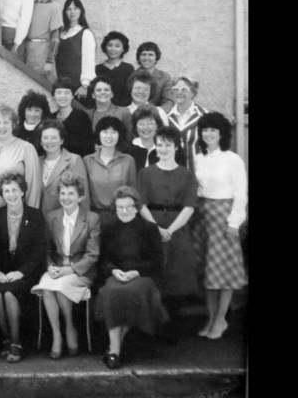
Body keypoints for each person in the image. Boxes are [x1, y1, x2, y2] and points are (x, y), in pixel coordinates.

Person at [96, 186, 168, 370]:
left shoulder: (150, 228)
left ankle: (113, 350)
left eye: (128, 206)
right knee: (112, 291)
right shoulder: (109, 228)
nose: (124, 211)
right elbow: (103, 259)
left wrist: (136, 272)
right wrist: (114, 271)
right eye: (120, 207)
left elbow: (157, 260)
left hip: (143, 276)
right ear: (115, 208)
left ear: (136, 208)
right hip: (117, 275)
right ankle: (115, 349)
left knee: (130, 292)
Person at [32, 173, 101, 359]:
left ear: (81, 197)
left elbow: (92, 254)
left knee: (61, 287)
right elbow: (47, 249)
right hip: (57, 269)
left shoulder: (92, 219)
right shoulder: (52, 217)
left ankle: (70, 327)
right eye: (62, 193)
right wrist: (50, 266)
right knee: (47, 287)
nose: (66, 198)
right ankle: (57, 335)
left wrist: (70, 269)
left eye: (71, 194)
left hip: (81, 271)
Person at [138, 126, 199, 331]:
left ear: (176, 147)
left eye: (168, 145)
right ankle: (153, 324)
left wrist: (170, 230)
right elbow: (141, 205)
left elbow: (189, 207)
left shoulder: (187, 174)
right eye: (160, 144)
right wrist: (156, 229)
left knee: (177, 275)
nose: (163, 149)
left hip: (178, 229)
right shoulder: (145, 173)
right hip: (151, 226)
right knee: (155, 274)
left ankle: (173, 326)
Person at [192, 112, 247, 341]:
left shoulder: (232, 159)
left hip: (224, 218)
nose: (209, 134)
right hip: (203, 218)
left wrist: (234, 222)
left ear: (222, 133)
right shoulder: (198, 158)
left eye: (213, 130)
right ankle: (211, 317)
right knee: (207, 272)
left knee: (223, 272)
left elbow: (241, 194)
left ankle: (222, 319)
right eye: (205, 130)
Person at [0, 172, 46, 363]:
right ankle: (6, 339)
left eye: (14, 190)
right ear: (1, 193)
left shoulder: (35, 215)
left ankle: (16, 341)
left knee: (10, 294)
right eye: (6, 191)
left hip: (25, 271)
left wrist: (21, 272)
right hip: (2, 273)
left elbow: (39, 251)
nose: (10, 194)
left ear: (22, 192)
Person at [0, 104, 41, 209]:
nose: (2, 126)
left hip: (12, 213)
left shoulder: (26, 148)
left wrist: (31, 216)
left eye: (6, 122)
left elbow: (34, 187)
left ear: (13, 125)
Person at [83, 116, 138, 227]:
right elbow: (85, 194)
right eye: (105, 132)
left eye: (113, 132)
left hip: (122, 216)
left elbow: (133, 192)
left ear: (119, 135)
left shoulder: (128, 160)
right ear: (99, 134)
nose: (109, 136)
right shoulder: (87, 160)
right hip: (95, 217)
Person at [38, 120, 90, 216]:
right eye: (45, 138)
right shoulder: (36, 162)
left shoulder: (74, 160)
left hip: (65, 220)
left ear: (61, 140)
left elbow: (84, 195)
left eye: (54, 138)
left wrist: (83, 223)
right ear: (41, 141)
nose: (49, 141)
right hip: (40, 221)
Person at [21, 0, 63, 79]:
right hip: (28, 51)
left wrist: (49, 60)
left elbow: (55, 38)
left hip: (43, 52)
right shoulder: (30, 5)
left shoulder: (54, 7)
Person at [55, 0, 96, 103]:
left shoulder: (85, 33)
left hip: (79, 87)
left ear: (81, 11)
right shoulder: (61, 33)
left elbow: (88, 60)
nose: (72, 12)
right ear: (64, 12)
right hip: (62, 87)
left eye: (76, 8)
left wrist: (85, 85)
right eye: (69, 9)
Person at [166, 76, 209, 169]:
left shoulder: (204, 116)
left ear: (193, 93)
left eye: (184, 90)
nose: (179, 93)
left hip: (198, 171)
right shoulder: (167, 116)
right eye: (176, 89)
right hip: (173, 173)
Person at [128, 105, 183, 171]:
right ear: (135, 127)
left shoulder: (171, 148)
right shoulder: (129, 150)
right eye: (141, 124)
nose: (146, 127)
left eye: (150, 123)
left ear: (157, 125)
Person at [87, 76, 134, 151]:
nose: (103, 92)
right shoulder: (87, 114)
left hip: (119, 156)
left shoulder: (123, 112)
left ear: (112, 94)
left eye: (106, 90)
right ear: (93, 95)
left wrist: (109, 149)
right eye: (99, 90)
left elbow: (130, 140)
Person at [50, 77, 94, 157]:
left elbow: (88, 148)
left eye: (67, 93)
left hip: (76, 165)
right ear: (54, 96)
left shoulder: (81, 117)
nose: (63, 96)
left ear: (72, 96)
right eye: (59, 92)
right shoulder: (50, 118)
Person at [95, 31, 134, 108]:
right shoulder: (97, 69)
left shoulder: (128, 69)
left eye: (117, 46)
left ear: (123, 49)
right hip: (101, 108)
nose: (113, 49)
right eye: (110, 45)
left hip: (122, 109)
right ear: (105, 47)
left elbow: (129, 93)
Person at [134, 41, 174, 109]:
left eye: (150, 55)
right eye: (143, 54)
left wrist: (156, 112)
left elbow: (169, 101)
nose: (146, 58)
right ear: (139, 57)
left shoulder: (165, 77)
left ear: (156, 58)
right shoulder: (132, 76)